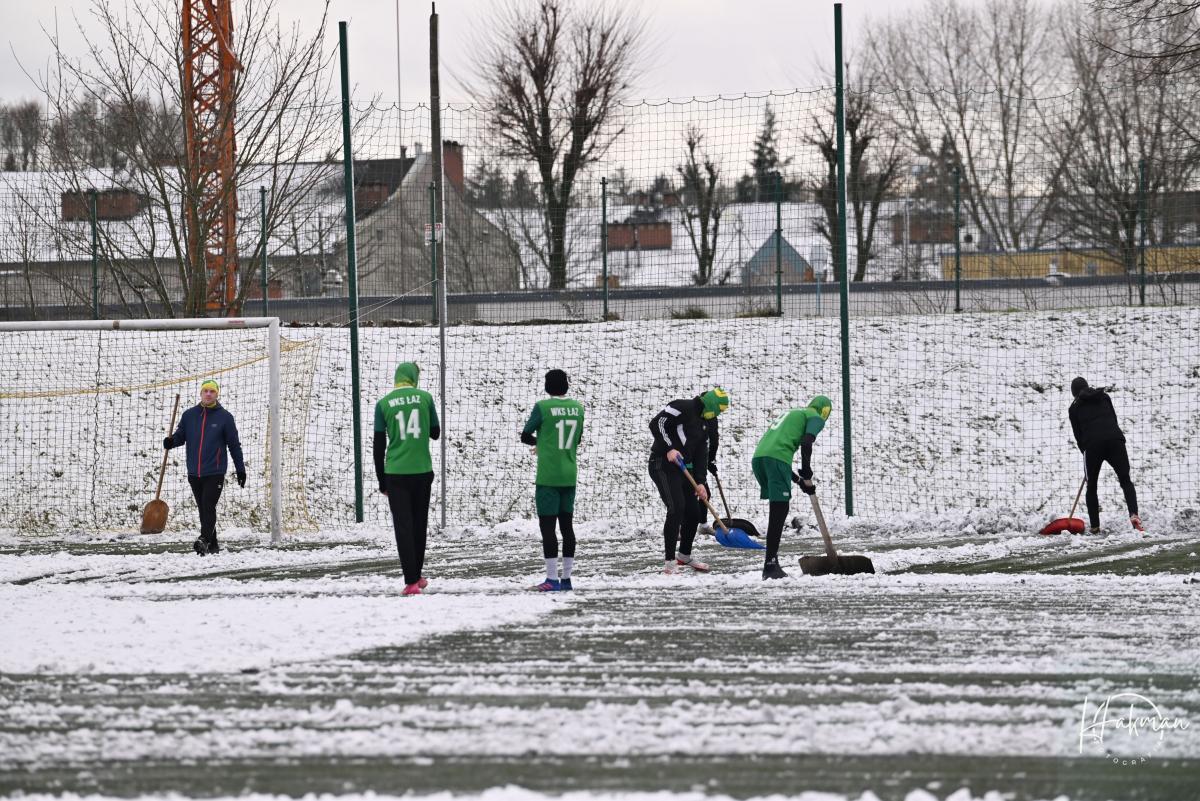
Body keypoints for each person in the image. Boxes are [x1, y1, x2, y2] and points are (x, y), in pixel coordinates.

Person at [374, 362, 441, 595]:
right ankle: (417, 575)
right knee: (419, 524)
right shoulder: (425, 398)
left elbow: (378, 445)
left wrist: (381, 480)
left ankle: (411, 581)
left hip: (396, 473)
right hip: (422, 471)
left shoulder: (383, 404)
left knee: (403, 527)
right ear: (413, 378)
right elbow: (435, 433)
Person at [751, 395, 833, 579]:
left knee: (779, 507)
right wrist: (806, 470)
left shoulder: (794, 413)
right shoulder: (816, 417)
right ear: (825, 411)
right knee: (779, 510)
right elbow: (806, 441)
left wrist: (799, 481)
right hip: (777, 460)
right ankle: (770, 566)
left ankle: (771, 563)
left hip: (760, 459)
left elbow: (776, 451)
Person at [648, 388, 729, 574]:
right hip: (662, 463)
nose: (718, 415)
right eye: (718, 410)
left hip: (684, 469)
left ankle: (684, 556)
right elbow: (657, 423)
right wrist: (669, 448)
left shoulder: (704, 423)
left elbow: (701, 453)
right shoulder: (682, 406)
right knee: (677, 507)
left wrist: (700, 481)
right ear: (711, 405)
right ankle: (670, 562)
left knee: (693, 513)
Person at [163, 379, 245, 556]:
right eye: (205, 391)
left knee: (208, 505)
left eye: (212, 391)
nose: (208, 394)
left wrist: (240, 469)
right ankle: (213, 546)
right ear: (201, 393)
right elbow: (180, 436)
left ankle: (204, 539)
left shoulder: (225, 418)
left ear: (217, 394)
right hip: (194, 472)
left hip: (215, 471)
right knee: (203, 509)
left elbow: (234, 445)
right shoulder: (189, 415)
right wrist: (171, 442)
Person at [520, 369, 585, 591]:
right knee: (567, 527)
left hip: (548, 476)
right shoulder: (578, 408)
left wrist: (541, 443)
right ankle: (566, 579)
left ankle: (551, 579)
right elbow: (577, 439)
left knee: (548, 527)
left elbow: (525, 435)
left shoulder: (543, 407)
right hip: (569, 474)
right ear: (566, 385)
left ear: (548, 386)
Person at [1069, 377, 1141, 533]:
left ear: (1074, 393)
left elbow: (1078, 436)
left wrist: (1087, 456)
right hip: (1115, 440)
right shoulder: (1103, 396)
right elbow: (1113, 419)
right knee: (1125, 480)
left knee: (1091, 486)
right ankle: (1134, 515)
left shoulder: (1074, 408)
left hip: (1092, 445)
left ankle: (1095, 527)